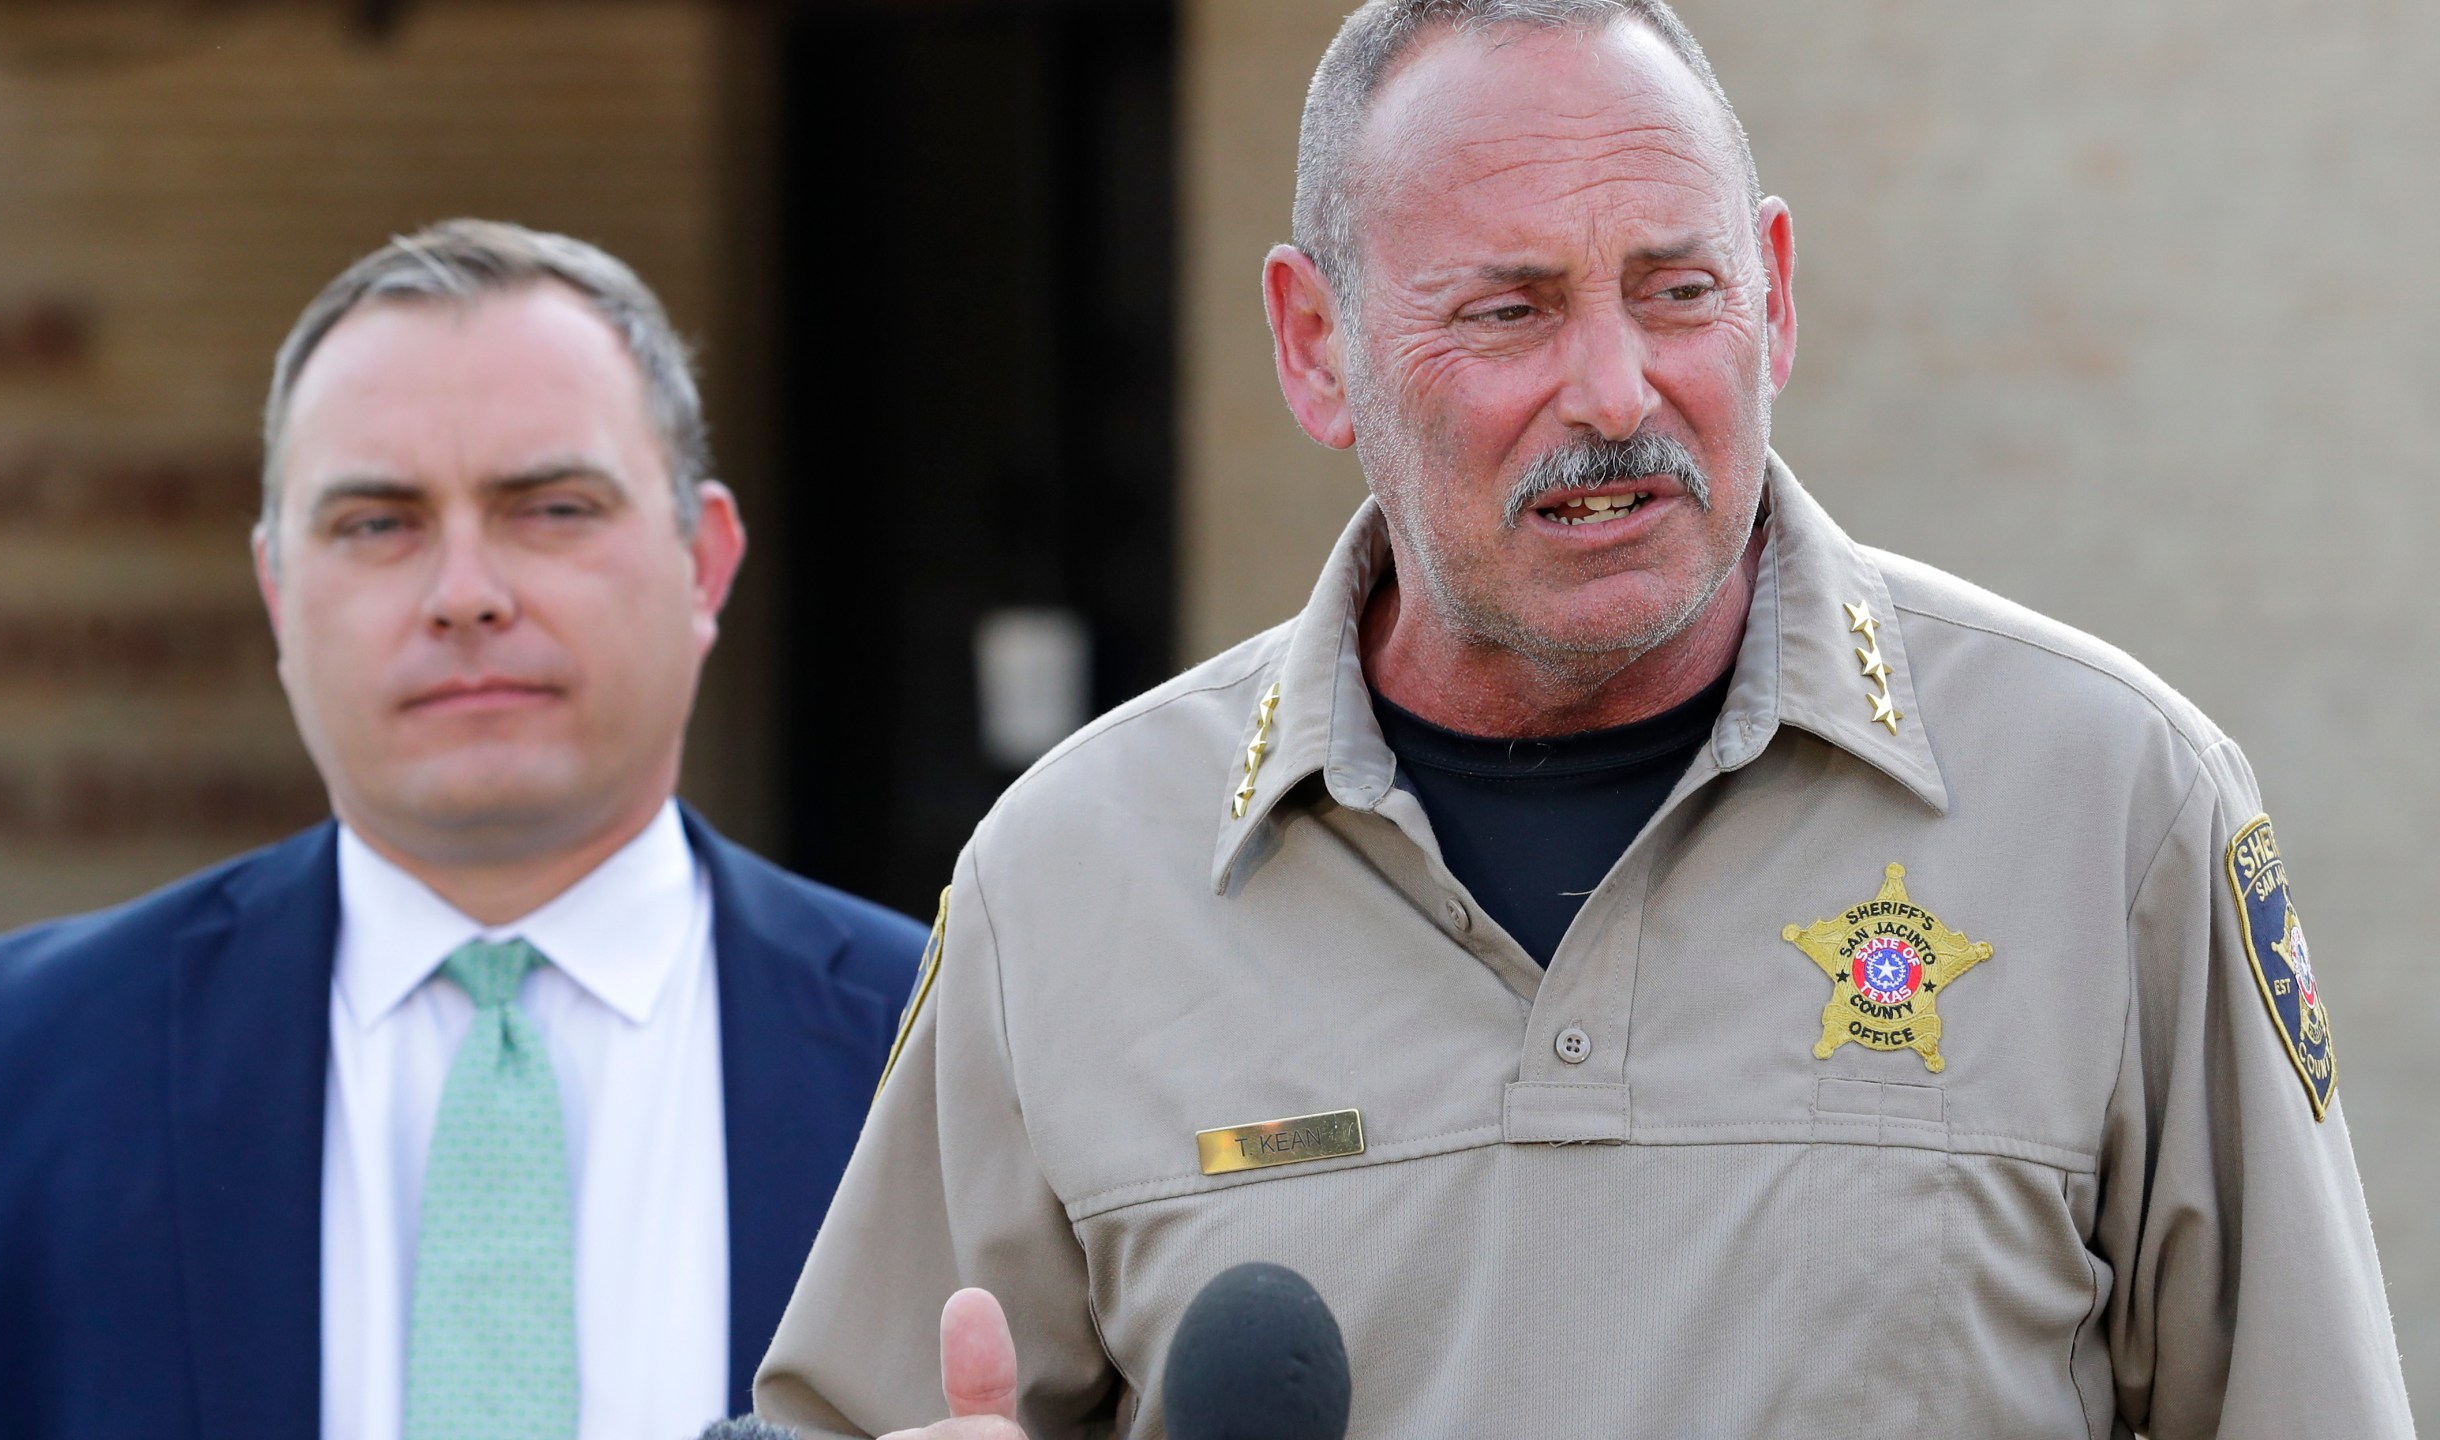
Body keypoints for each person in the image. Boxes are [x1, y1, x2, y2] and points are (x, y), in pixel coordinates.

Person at [744, 3, 2414, 1437]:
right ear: (1315, 349)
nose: (1616, 391)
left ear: (1773, 292)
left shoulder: (2111, 806)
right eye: (1511, 309)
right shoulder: (1070, 881)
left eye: (1676, 290)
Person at [0, 221, 927, 1440]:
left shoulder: (940, 1051)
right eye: (378, 523)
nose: (465, 591)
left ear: (705, 561)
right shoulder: (18, 1067)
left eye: (550, 507)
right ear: (278, 591)